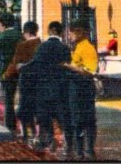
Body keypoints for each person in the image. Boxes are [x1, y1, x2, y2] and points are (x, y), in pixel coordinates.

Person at [30, 21, 72, 154]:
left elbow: (35, 66)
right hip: (60, 87)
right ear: (60, 32)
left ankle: (46, 140)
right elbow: (68, 67)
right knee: (62, 115)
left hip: (43, 87)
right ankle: (67, 142)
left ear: (50, 30)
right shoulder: (64, 48)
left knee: (44, 116)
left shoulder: (42, 47)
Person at [65, 19, 99, 161]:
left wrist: (69, 67)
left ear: (79, 32)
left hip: (83, 89)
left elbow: (90, 71)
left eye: (71, 33)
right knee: (77, 120)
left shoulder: (87, 48)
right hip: (76, 88)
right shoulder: (78, 47)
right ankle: (80, 150)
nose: (69, 36)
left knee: (87, 120)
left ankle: (88, 150)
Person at [4, 21, 41, 143]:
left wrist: (6, 75)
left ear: (26, 32)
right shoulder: (41, 44)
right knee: (37, 106)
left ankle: (25, 133)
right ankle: (37, 133)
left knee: (24, 106)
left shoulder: (22, 46)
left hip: (26, 80)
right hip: (40, 81)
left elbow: (15, 63)